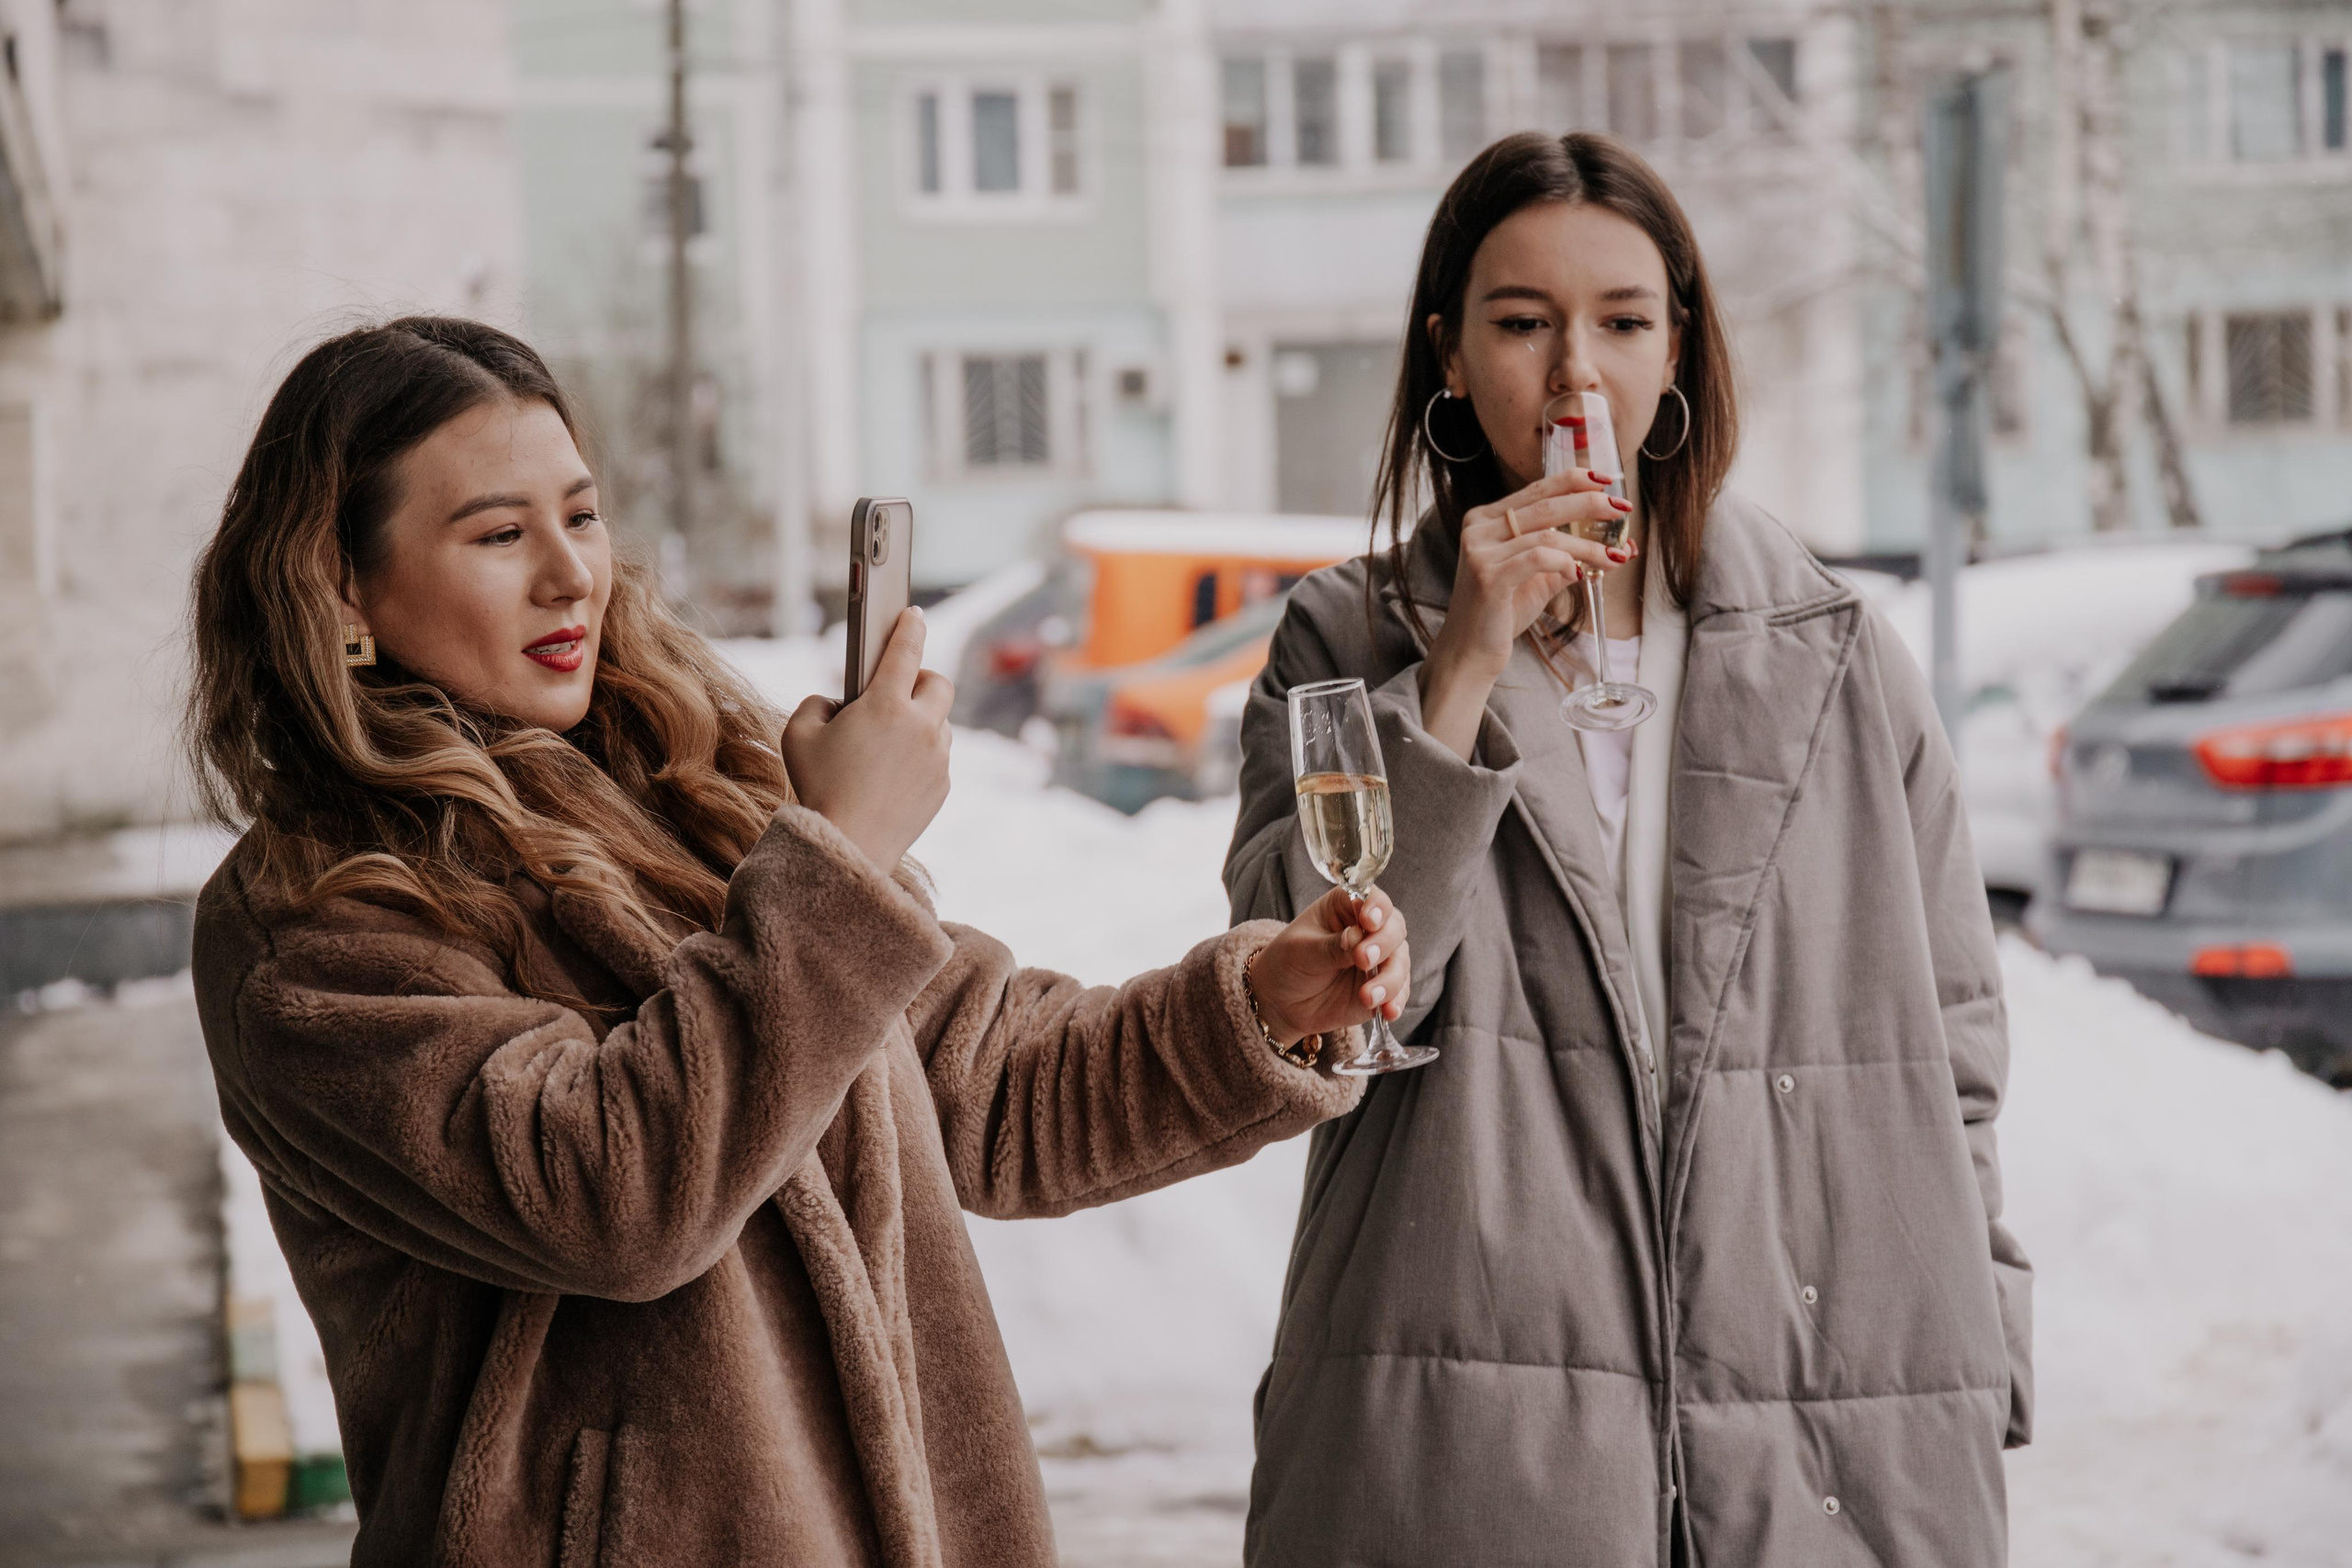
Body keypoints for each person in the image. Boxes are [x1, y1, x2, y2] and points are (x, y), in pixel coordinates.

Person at [185, 317, 1406, 1566]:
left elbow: (987, 1083)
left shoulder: (700, 793)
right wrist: (834, 856)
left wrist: (1258, 1002)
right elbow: (619, 1194)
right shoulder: (312, 928)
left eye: (583, 516)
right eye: (500, 535)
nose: (571, 577)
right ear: (341, 584)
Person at [1226, 132, 2031, 1566]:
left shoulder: (1835, 652)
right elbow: (1319, 1008)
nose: (1576, 373)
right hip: (1466, 1444)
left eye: (1622, 321)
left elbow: (1951, 1047)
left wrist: (1986, 1345)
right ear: (1451, 360)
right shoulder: (1343, 643)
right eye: (1523, 323)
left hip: (1828, 1434)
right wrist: (1460, 668)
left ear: (1679, 353)